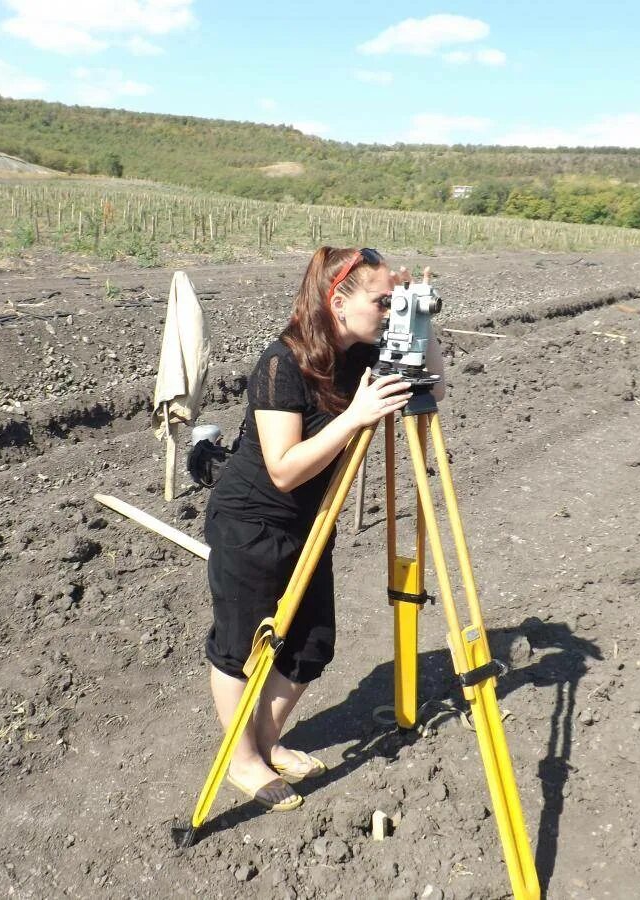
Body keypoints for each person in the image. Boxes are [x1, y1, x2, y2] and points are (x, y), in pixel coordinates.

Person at [203, 246, 446, 811]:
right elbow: (284, 469)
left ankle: (263, 741)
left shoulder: (364, 353)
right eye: (382, 301)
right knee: (241, 649)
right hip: (252, 522)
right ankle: (241, 762)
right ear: (339, 301)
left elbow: (433, 380)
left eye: (395, 302)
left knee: (311, 646)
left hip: (314, 521)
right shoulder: (279, 365)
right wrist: (355, 416)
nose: (389, 312)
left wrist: (420, 316)